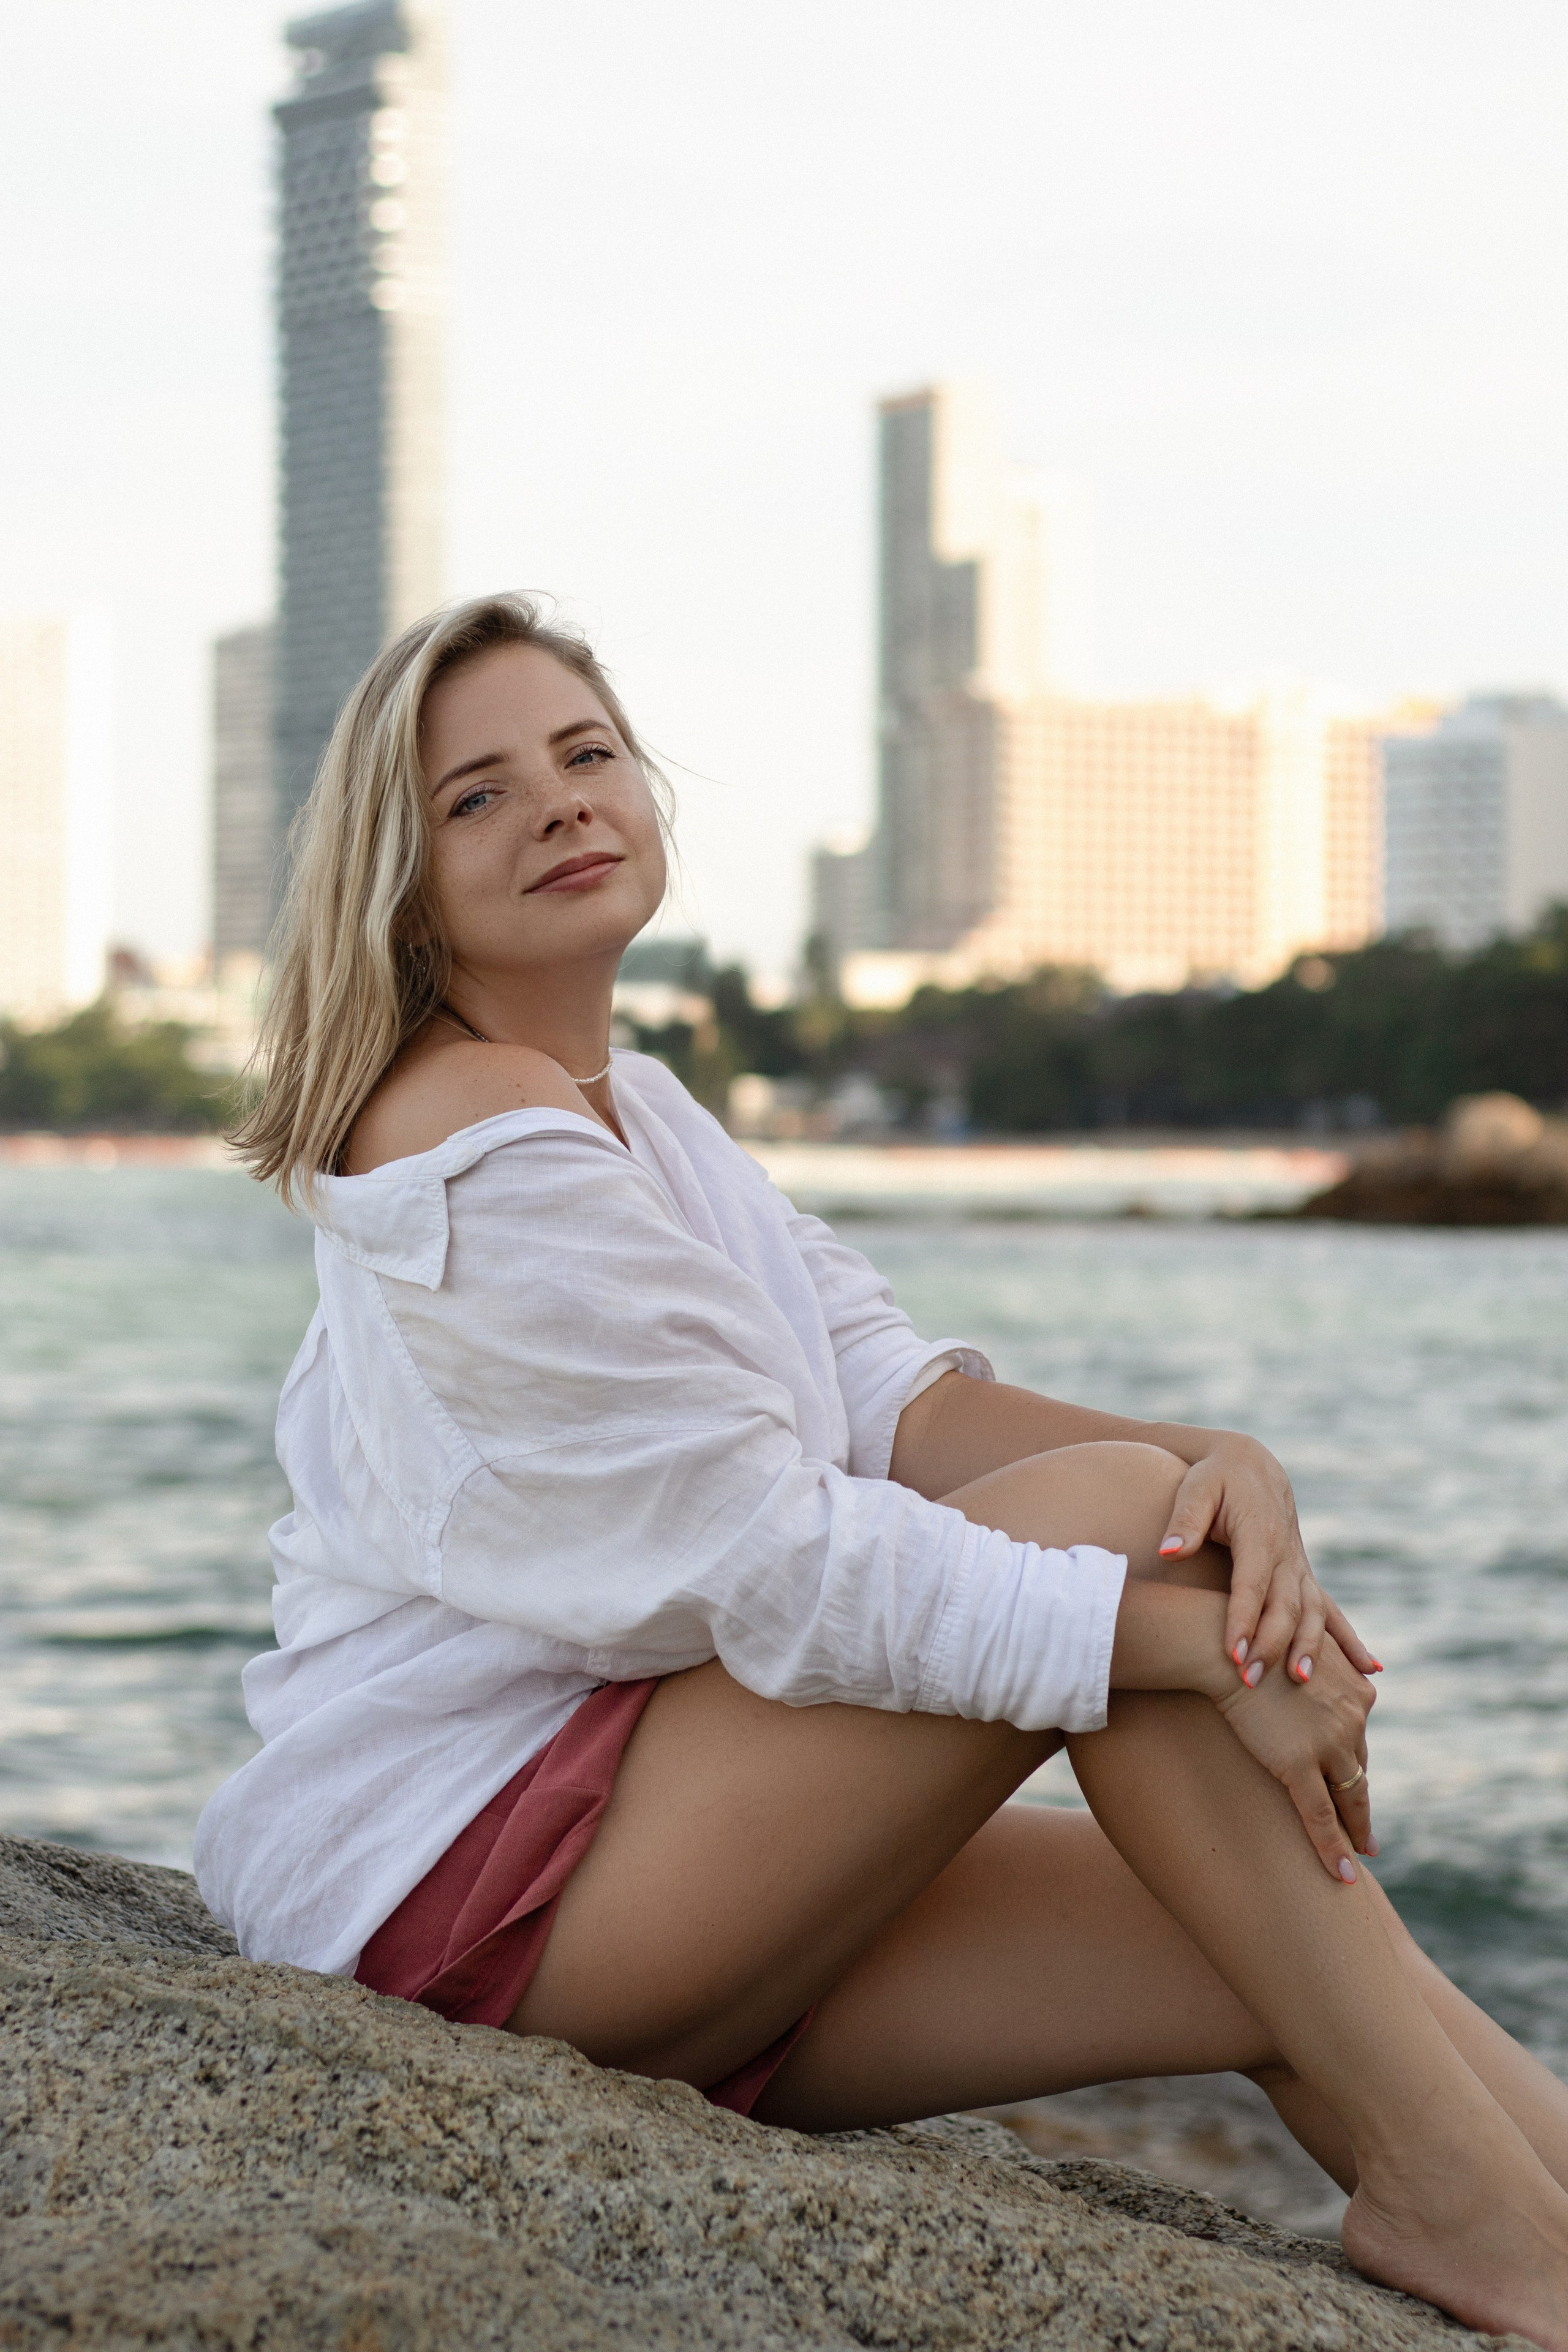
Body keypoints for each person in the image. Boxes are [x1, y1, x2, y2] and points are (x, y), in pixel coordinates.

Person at [196, 592, 1568, 2348]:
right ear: (402, 887)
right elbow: (781, 1566)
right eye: (479, 795)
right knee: (1123, 1542)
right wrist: (1202, 1641)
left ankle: (1517, 2231)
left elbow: (896, 1407)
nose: (557, 803)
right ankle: (1475, 2217)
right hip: (468, 1903)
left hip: (655, 1865)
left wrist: (1225, 1462)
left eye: (586, 753)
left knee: (1271, 1932)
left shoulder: (637, 1111)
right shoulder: (472, 1139)